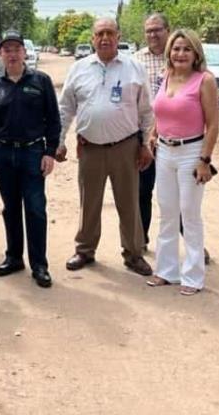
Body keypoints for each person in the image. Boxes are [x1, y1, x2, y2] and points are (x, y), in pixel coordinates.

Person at [57, 17, 154, 277]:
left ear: (118, 36)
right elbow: (65, 107)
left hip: (126, 147)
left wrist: (145, 144)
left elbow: (146, 110)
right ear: (92, 38)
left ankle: (134, 254)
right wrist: (59, 141)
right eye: (100, 33)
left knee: (129, 202)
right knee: (89, 202)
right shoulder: (79, 68)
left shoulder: (134, 68)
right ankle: (85, 250)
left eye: (110, 33)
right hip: (89, 148)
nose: (105, 38)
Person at [0, 31, 61, 288]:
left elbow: (54, 121)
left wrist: (50, 152)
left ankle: (39, 265)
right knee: (10, 208)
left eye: (16, 49)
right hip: (3, 154)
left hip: (32, 154)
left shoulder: (41, 81)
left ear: (24, 52)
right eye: (7, 50)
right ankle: (14, 257)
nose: (12, 54)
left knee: (35, 209)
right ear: (0, 54)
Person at [147, 29, 219, 295]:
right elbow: (161, 110)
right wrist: (154, 133)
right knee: (167, 212)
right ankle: (166, 271)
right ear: (169, 52)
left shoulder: (205, 81)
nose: (180, 54)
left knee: (189, 214)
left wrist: (204, 160)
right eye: (176, 49)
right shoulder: (164, 77)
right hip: (165, 152)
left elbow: (213, 125)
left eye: (186, 49)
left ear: (196, 53)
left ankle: (193, 276)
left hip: (192, 152)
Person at [134, 13, 169, 248]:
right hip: (144, 136)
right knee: (142, 191)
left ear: (168, 30)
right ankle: (140, 239)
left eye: (157, 29)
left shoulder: (180, 56)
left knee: (176, 195)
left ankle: (191, 242)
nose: (153, 34)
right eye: (149, 31)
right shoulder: (135, 61)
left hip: (176, 137)